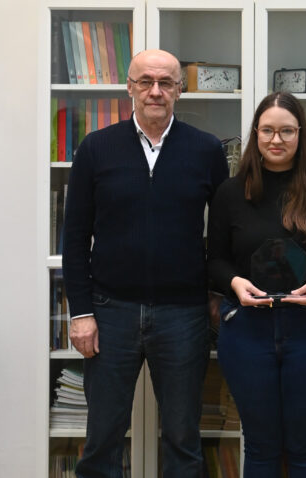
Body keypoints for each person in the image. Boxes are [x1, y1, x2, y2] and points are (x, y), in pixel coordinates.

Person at [62, 49, 228, 477]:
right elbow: (75, 238)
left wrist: (215, 292)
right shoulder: (96, 148)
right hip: (109, 312)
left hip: (184, 315)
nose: (156, 91)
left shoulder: (206, 150)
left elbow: (227, 232)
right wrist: (81, 313)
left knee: (182, 439)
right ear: (130, 88)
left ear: (180, 89)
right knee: (102, 439)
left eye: (166, 83)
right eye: (146, 82)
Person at [207, 91, 306, 478]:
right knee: (260, 446)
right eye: (268, 130)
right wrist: (235, 282)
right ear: (256, 134)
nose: (277, 140)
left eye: (287, 131)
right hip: (246, 331)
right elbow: (215, 262)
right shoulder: (229, 193)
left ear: (301, 135)